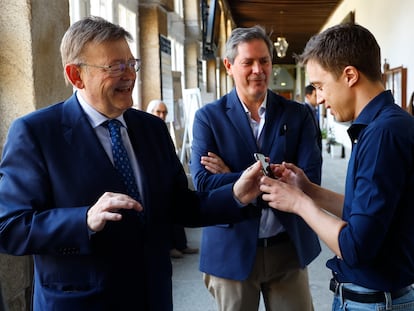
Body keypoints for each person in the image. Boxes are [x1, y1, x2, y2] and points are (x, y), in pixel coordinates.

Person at [0, 16, 264, 311]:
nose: (129, 75)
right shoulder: (36, 133)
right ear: (76, 75)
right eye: (115, 67)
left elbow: (179, 204)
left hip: (153, 297)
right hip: (82, 302)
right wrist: (83, 219)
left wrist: (236, 195)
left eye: (131, 63)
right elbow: (10, 227)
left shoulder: (151, 129)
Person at [260, 23, 414, 310]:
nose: (319, 98)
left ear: (350, 75)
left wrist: (298, 204)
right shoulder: (381, 126)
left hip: (373, 302)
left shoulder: (383, 134)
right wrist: (308, 191)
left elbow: (355, 248)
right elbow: (367, 215)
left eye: (321, 86)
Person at [190, 25, 322, 311]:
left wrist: (230, 177)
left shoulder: (298, 115)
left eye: (263, 61)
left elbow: (308, 179)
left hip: (286, 246)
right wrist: (269, 178)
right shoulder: (208, 118)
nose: (257, 70)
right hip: (230, 248)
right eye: (247, 62)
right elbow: (201, 182)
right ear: (229, 66)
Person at [146, 99, 199, 259]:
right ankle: (169, 247)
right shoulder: (144, 128)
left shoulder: (161, 129)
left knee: (177, 208)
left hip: (168, 178)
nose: (161, 115)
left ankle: (181, 245)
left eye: (164, 112)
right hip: (153, 182)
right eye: (158, 112)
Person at [303, 84, 322, 150]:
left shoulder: (314, 111)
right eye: (315, 96)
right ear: (308, 96)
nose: (318, 98)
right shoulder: (304, 112)